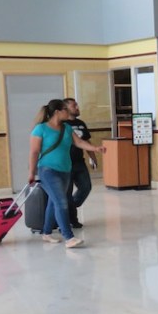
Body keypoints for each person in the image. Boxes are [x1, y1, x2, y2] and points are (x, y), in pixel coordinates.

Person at [28, 98, 106, 248]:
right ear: (57, 112)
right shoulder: (40, 129)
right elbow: (34, 152)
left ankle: (46, 233)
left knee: (53, 202)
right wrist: (31, 172)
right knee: (61, 201)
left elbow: (79, 142)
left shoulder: (67, 128)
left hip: (65, 170)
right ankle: (69, 237)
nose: (68, 111)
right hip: (47, 170)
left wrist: (95, 149)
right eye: (65, 109)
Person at [63, 97, 95, 229]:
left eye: (77, 105)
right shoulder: (62, 124)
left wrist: (92, 157)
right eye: (74, 106)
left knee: (86, 187)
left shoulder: (81, 123)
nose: (77, 107)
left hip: (79, 162)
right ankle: (72, 218)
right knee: (67, 192)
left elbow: (86, 141)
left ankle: (70, 207)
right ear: (66, 108)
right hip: (66, 164)